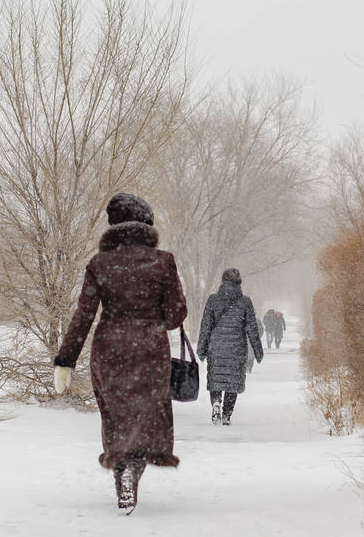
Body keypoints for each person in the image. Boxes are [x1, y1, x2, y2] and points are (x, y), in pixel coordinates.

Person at [53, 192, 187, 514]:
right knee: (145, 415)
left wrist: (65, 359)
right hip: (150, 351)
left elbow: (84, 315)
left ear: (113, 225)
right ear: (147, 225)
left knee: (115, 415)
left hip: (109, 350)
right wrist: (155, 312)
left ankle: (121, 468)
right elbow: (175, 316)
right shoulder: (163, 261)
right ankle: (134, 467)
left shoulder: (99, 263)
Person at [196, 268, 264, 425]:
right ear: (239, 283)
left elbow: (206, 326)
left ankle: (216, 402)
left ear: (223, 281)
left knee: (216, 379)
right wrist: (258, 351)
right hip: (237, 349)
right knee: (233, 382)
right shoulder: (245, 302)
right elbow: (252, 329)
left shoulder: (213, 300)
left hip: (216, 347)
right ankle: (226, 415)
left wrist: (202, 349)